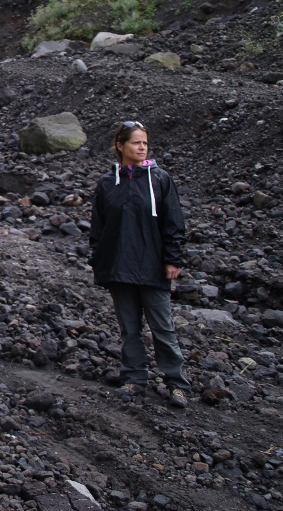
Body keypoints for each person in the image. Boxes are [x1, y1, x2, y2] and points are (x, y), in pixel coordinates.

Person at [89, 121, 192, 408]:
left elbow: (174, 222)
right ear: (120, 146)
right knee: (129, 328)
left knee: (163, 327)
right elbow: (98, 227)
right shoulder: (108, 183)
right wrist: (98, 260)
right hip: (118, 266)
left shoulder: (159, 179)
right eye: (136, 142)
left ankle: (176, 383)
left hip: (153, 266)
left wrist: (172, 259)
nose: (142, 147)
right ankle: (134, 379)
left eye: (145, 142)